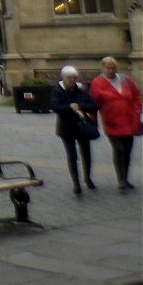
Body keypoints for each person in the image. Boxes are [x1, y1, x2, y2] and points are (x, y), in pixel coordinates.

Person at [88, 56, 143, 192]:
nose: (111, 70)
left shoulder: (126, 80)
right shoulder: (97, 83)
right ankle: (121, 179)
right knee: (118, 149)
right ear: (103, 68)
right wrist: (92, 121)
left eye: (113, 68)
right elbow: (94, 103)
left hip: (129, 120)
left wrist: (137, 109)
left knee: (127, 150)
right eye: (108, 68)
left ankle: (125, 177)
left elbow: (136, 96)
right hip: (111, 122)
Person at [50, 65, 99, 195]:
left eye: (74, 77)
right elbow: (56, 107)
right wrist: (71, 108)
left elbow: (93, 106)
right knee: (72, 156)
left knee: (86, 154)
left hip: (83, 126)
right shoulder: (58, 91)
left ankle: (87, 178)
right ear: (64, 78)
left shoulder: (82, 89)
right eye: (69, 78)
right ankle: (76, 183)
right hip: (66, 128)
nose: (72, 80)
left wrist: (80, 106)